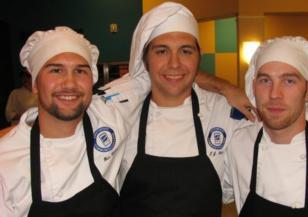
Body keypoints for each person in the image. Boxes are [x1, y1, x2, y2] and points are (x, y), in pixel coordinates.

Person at [99, 2, 251, 216]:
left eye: (185, 51)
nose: (174, 63)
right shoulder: (120, 115)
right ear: (145, 58)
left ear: (199, 57)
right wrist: (221, 84)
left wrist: (225, 88)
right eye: (162, 51)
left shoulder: (222, 113)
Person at [0, 27, 127, 217]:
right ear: (34, 83)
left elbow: (144, 81)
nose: (69, 83)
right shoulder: (6, 161)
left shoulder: (109, 118)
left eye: (80, 71)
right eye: (56, 70)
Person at [223, 36, 308, 216]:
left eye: (289, 81)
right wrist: (222, 87)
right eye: (265, 81)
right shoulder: (238, 144)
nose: (275, 94)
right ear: (253, 86)